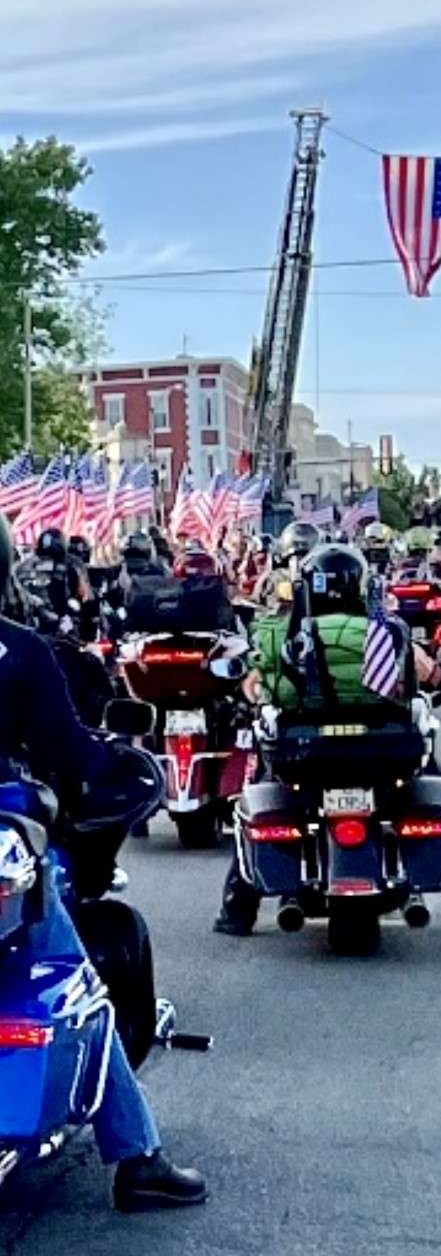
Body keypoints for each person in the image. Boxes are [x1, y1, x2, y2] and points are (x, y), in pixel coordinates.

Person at [0, 514, 205, 1211]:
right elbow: (68, 754)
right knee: (76, 979)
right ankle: (137, 1155)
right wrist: (110, 768)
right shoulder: (18, 649)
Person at [214, 543, 441, 941]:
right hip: (388, 760)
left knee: (266, 797)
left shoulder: (283, 634)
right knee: (437, 795)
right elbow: (430, 674)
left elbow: (256, 686)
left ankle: (236, 912)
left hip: (303, 760)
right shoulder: (386, 631)